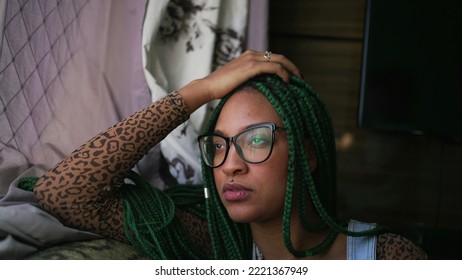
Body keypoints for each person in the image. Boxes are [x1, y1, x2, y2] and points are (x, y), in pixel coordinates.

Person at [33, 50, 427, 260]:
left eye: (255, 140)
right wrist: (200, 91)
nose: (230, 165)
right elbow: (62, 192)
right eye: (218, 145)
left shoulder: (387, 259)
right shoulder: (215, 247)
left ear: (307, 155)